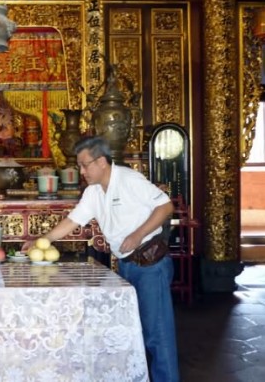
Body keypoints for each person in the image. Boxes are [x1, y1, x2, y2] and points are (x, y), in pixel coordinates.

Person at [22, 136, 180, 382]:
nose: (81, 171)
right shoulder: (94, 192)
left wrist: (138, 234)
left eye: (85, 165)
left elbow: (165, 207)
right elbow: (72, 221)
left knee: (157, 334)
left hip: (150, 264)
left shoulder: (129, 179)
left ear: (102, 161)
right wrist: (42, 240)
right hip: (127, 264)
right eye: (80, 166)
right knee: (133, 331)